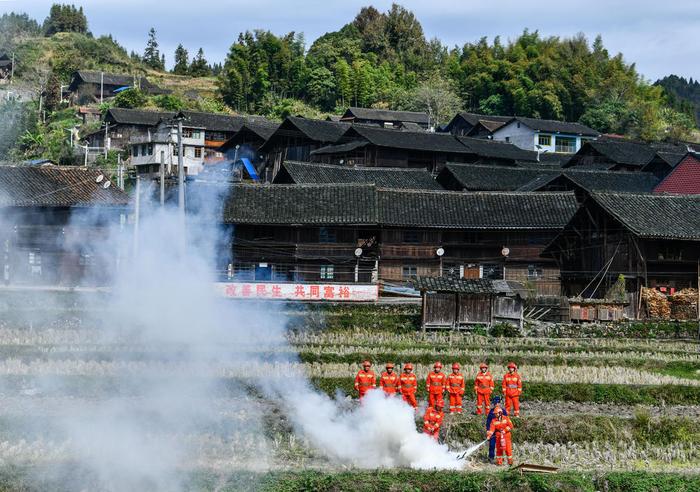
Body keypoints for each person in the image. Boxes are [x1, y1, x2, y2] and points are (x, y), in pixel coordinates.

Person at [486, 396, 508, 463]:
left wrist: (504, 430)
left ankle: (501, 459)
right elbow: (488, 422)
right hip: (493, 432)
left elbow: (506, 421)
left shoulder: (503, 411)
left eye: (498, 403)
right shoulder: (491, 412)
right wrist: (488, 431)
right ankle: (491, 458)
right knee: (492, 445)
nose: (497, 404)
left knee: (501, 446)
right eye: (495, 403)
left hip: (501, 432)